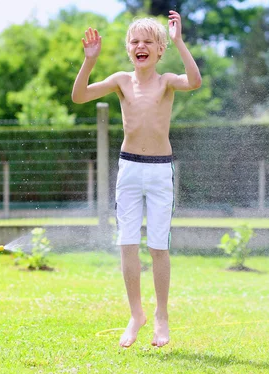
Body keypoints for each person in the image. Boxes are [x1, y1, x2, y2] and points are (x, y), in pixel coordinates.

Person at [72, 11, 201, 348]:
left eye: (148, 42)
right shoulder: (120, 81)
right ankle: (136, 314)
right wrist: (90, 61)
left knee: (159, 246)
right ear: (129, 49)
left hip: (160, 170)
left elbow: (195, 81)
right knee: (127, 243)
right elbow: (80, 96)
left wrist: (179, 41)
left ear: (159, 50)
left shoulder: (167, 81)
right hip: (129, 169)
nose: (140, 46)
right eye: (135, 42)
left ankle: (161, 315)